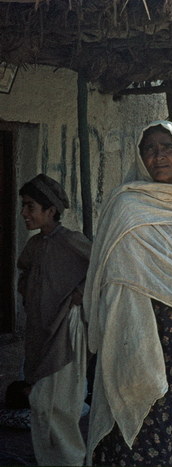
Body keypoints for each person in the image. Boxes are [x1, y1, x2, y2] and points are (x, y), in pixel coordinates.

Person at [84, 121, 172, 466]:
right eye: (149, 149)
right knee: (143, 411)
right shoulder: (126, 205)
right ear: (140, 157)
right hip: (139, 328)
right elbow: (111, 272)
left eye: (167, 147)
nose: (158, 156)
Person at [17, 174, 91, 466]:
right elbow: (26, 273)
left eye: (30, 206)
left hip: (66, 331)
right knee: (40, 403)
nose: (24, 213)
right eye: (23, 206)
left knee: (59, 404)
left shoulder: (71, 241)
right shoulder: (35, 245)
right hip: (40, 332)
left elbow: (101, 268)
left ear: (50, 210)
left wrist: (80, 293)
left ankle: (72, 460)